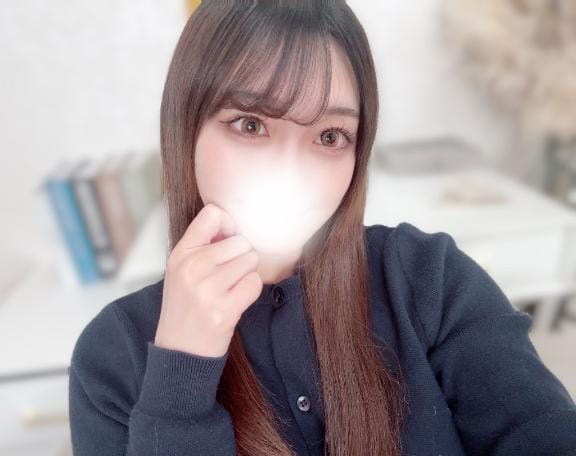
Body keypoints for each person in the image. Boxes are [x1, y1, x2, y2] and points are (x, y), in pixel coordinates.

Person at [68, 1, 576, 455]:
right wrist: (181, 370)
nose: (291, 172)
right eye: (250, 124)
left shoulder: (430, 280)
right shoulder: (112, 359)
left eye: (330, 135)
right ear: (185, 128)